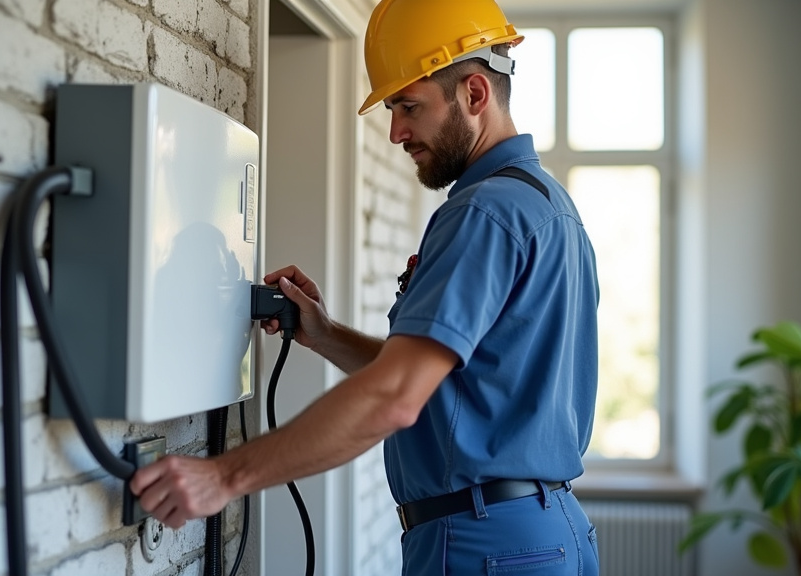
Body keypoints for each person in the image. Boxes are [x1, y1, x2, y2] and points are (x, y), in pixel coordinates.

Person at [130, 0, 601, 573]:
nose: (396, 130)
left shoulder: (483, 213)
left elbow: (398, 395)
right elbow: (448, 386)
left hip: (486, 545)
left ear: (475, 94)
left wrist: (222, 476)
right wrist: (325, 335)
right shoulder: (548, 207)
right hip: (544, 533)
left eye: (409, 105)